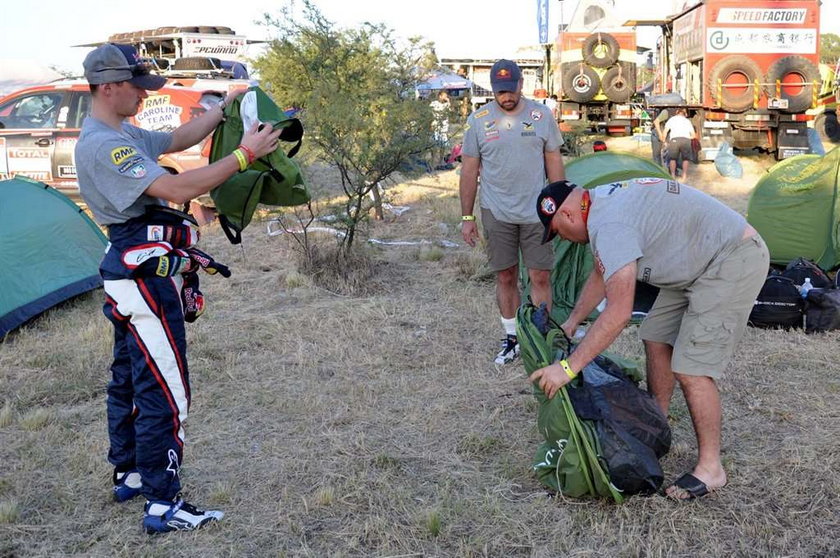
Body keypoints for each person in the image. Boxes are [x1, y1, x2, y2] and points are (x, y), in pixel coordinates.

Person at [76, 43, 282, 533]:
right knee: (163, 390)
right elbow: (175, 190)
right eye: (136, 88)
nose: (144, 97)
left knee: (127, 379)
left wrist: (222, 109)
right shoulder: (104, 144)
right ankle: (163, 502)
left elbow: (174, 137)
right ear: (108, 86)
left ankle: (128, 473)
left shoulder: (119, 131)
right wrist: (244, 155)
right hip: (143, 278)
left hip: (133, 274)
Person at [530, 177, 768, 500]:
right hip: (696, 262)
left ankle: (712, 468)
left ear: (569, 216)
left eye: (557, 232)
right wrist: (572, 322)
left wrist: (568, 368)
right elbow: (603, 273)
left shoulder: (608, 224)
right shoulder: (600, 203)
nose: (566, 240)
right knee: (655, 334)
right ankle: (657, 423)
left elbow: (618, 313)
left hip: (730, 257)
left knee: (691, 368)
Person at [459, 59, 565, 365]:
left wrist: (559, 206)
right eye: (500, 91)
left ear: (521, 84)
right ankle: (513, 339)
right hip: (497, 211)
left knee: (540, 277)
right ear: (493, 89)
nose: (506, 96)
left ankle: (542, 339)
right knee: (505, 275)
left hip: (537, 213)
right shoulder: (478, 120)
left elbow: (554, 161)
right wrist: (467, 217)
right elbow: (469, 172)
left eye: (511, 89)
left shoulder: (541, 115)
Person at [663, 108, 696, 178]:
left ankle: (672, 175)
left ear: (676, 113)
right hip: (685, 140)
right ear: (684, 114)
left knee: (672, 159)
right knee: (685, 159)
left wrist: (664, 141)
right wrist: (687, 138)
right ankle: (684, 175)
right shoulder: (687, 121)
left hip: (674, 140)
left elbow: (665, 131)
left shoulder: (672, 119)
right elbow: (693, 135)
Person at [430, 90, 451, 168]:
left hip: (444, 128)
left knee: (443, 146)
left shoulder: (446, 105)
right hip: (436, 127)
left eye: (446, 96)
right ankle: (433, 161)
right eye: (444, 96)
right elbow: (430, 114)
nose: (446, 97)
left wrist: (449, 103)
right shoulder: (433, 104)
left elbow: (450, 112)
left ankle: (441, 161)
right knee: (434, 145)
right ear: (440, 96)